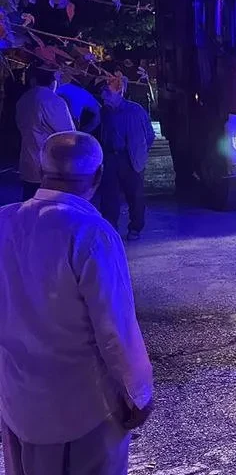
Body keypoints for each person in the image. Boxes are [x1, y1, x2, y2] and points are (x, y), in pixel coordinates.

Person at [0, 131, 154, 475]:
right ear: (97, 176)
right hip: (85, 410)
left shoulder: (4, 221)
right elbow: (114, 328)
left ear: (41, 171)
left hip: (18, 404)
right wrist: (139, 393)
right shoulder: (91, 232)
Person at [98, 76, 154, 240]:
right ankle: (110, 227)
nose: (104, 96)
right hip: (110, 156)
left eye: (108, 92)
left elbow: (149, 135)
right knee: (109, 194)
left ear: (119, 92)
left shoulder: (135, 111)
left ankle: (135, 227)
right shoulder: (105, 111)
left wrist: (140, 153)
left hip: (129, 157)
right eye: (104, 92)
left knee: (135, 195)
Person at [15, 68, 75, 200]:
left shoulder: (23, 99)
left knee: (29, 204)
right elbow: (69, 134)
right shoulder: (53, 100)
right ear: (54, 81)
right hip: (49, 167)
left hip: (27, 162)